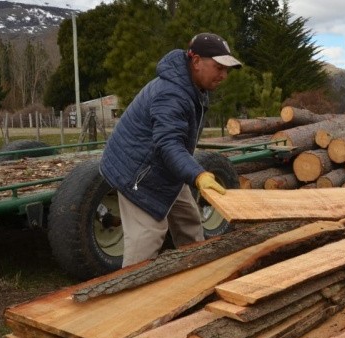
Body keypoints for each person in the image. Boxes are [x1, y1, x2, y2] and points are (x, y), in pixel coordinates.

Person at [100, 32, 242, 267]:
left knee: (189, 222)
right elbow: (168, 144)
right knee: (148, 238)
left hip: (162, 168)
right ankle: (131, 295)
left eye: (226, 69)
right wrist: (197, 175)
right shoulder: (171, 93)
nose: (223, 75)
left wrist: (191, 173)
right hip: (137, 174)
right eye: (218, 67)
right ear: (196, 61)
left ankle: (196, 273)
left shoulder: (191, 85)